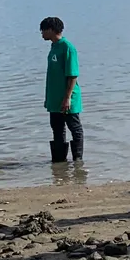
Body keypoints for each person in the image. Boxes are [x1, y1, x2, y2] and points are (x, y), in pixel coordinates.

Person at [40, 17, 83, 162]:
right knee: (57, 130)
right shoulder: (53, 47)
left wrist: (67, 97)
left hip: (67, 98)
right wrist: (48, 98)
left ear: (51, 30)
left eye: (43, 30)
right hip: (54, 99)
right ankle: (59, 162)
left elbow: (72, 75)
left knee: (74, 129)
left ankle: (78, 160)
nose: (41, 34)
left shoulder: (67, 47)